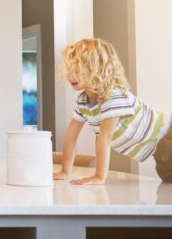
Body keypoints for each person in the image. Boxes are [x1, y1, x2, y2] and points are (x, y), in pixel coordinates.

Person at [54, 38, 172, 184]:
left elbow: (105, 137)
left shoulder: (112, 96)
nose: (70, 75)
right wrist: (65, 171)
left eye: (77, 69)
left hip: (169, 134)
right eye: (69, 68)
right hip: (160, 150)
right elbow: (71, 135)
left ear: (98, 69)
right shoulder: (84, 100)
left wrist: (99, 176)